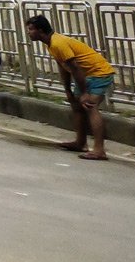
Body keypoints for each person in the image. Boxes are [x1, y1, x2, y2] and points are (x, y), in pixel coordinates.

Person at [25, 14, 116, 160]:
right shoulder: (51, 43)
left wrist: (84, 93)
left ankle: (99, 150)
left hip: (99, 73)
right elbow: (64, 67)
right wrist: (67, 90)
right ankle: (80, 142)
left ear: (40, 30)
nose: (28, 32)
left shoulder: (58, 43)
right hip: (86, 75)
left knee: (90, 107)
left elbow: (75, 68)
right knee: (77, 107)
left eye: (30, 29)